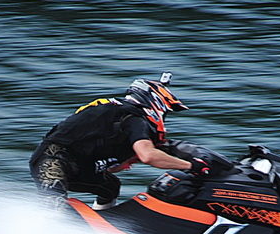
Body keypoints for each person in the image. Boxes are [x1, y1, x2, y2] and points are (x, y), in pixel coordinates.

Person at [29, 72, 210, 210]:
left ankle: (103, 229)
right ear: (157, 102)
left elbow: (107, 157)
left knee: (110, 186)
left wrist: (124, 160)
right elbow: (148, 156)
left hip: (75, 165)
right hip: (53, 161)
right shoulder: (134, 118)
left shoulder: (119, 115)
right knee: (53, 207)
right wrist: (190, 166)